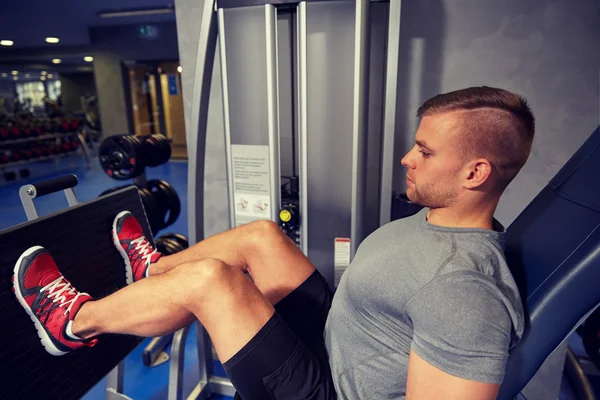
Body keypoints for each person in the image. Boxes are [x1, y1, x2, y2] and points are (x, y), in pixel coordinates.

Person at [13, 86, 534, 400]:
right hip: (336, 337)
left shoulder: (464, 295)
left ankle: (71, 325)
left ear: (475, 172)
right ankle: (150, 274)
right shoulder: (442, 219)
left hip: (323, 388)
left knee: (213, 280)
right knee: (261, 236)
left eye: (424, 151)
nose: (407, 159)